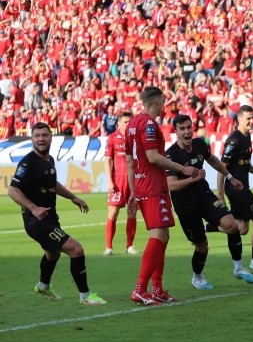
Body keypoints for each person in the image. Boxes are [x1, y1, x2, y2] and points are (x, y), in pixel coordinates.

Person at [8, 122, 107, 305]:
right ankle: (85, 296)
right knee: (76, 249)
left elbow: (53, 184)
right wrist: (34, 208)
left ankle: (43, 286)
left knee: (53, 253)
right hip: (36, 221)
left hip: (49, 217)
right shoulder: (28, 163)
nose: (41, 139)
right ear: (32, 138)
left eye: (44, 135)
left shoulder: (49, 159)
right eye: (37, 136)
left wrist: (73, 197)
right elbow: (13, 190)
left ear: (51, 137)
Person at [126, 87, 202, 305]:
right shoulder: (148, 124)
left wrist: (132, 191)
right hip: (152, 185)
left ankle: (157, 288)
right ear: (158, 100)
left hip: (143, 185)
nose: (163, 104)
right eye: (163, 101)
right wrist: (183, 168)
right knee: (158, 236)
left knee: (163, 236)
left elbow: (130, 162)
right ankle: (140, 289)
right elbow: (152, 157)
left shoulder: (132, 124)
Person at [165, 115, 253, 290]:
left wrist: (230, 177)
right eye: (182, 129)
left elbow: (213, 160)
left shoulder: (200, 144)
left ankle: (238, 268)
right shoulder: (171, 154)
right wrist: (192, 179)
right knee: (202, 246)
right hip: (186, 205)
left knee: (232, 225)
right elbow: (171, 185)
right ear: (175, 132)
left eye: (188, 127)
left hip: (204, 195)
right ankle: (197, 278)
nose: (186, 132)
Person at [217, 105, 253, 272]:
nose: (252, 121)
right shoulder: (234, 140)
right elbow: (222, 168)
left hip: (242, 186)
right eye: (248, 118)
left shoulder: (247, 136)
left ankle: (207, 227)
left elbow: (244, 163)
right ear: (239, 119)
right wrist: (220, 194)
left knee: (241, 228)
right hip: (237, 189)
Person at [103, 111, 138, 256]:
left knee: (132, 212)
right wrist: (110, 181)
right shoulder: (112, 138)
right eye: (125, 122)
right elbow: (108, 160)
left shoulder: (136, 138)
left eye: (130, 122)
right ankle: (109, 247)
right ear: (118, 123)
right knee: (113, 212)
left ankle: (129, 246)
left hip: (133, 181)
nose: (128, 124)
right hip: (118, 180)